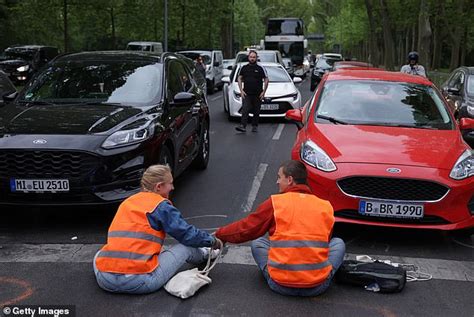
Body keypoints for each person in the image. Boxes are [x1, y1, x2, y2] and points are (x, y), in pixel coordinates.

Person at [215, 160, 345, 296]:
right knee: (338, 243)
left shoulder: (275, 203)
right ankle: (320, 274)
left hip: (279, 284)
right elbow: (325, 242)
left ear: (290, 180)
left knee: (258, 243)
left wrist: (221, 235)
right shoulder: (325, 206)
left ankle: (277, 270)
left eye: (279, 177)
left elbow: (246, 229)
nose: (277, 181)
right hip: (317, 286)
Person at [93, 164, 222, 294]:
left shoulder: (127, 202)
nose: (173, 187)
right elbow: (187, 234)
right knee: (185, 247)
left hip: (105, 280)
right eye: (170, 183)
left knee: (101, 253)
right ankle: (206, 254)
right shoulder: (161, 206)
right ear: (159, 186)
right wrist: (212, 241)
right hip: (140, 282)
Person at [235, 50, 269, 133]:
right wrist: (241, 90)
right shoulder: (244, 68)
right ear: (248, 58)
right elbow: (239, 78)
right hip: (247, 94)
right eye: (251, 57)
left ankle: (255, 126)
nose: (252, 59)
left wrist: (263, 92)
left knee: (256, 111)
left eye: (254, 57)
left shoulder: (260, 68)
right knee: (245, 109)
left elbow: (266, 79)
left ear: (256, 58)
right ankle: (243, 126)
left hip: (258, 94)